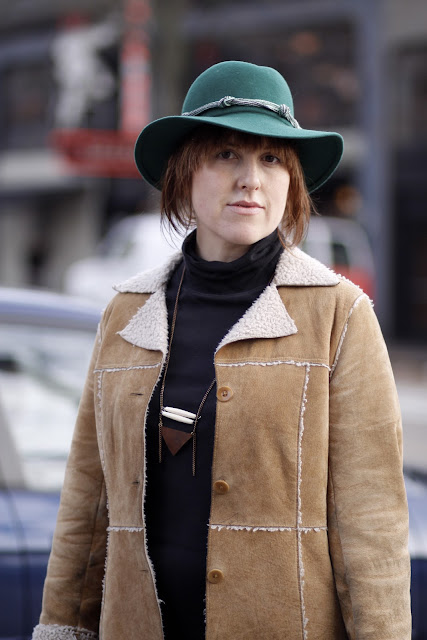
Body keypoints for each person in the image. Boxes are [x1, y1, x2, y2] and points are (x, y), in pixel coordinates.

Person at [33, 60, 411, 640]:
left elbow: (372, 520)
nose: (251, 179)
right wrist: (62, 627)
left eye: (271, 159)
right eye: (226, 155)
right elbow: (88, 505)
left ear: (292, 182)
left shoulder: (338, 313)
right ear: (185, 172)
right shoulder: (127, 313)